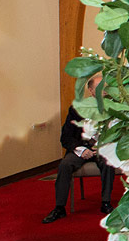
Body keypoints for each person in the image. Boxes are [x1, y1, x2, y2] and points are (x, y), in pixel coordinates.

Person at [42, 73, 114, 223]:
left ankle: (106, 203)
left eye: (106, 87)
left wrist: (101, 147)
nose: (105, 91)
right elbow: (65, 137)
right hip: (81, 149)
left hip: (102, 148)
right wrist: (81, 150)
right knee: (65, 164)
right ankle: (59, 208)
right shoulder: (77, 109)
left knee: (108, 162)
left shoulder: (114, 108)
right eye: (101, 88)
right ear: (91, 91)